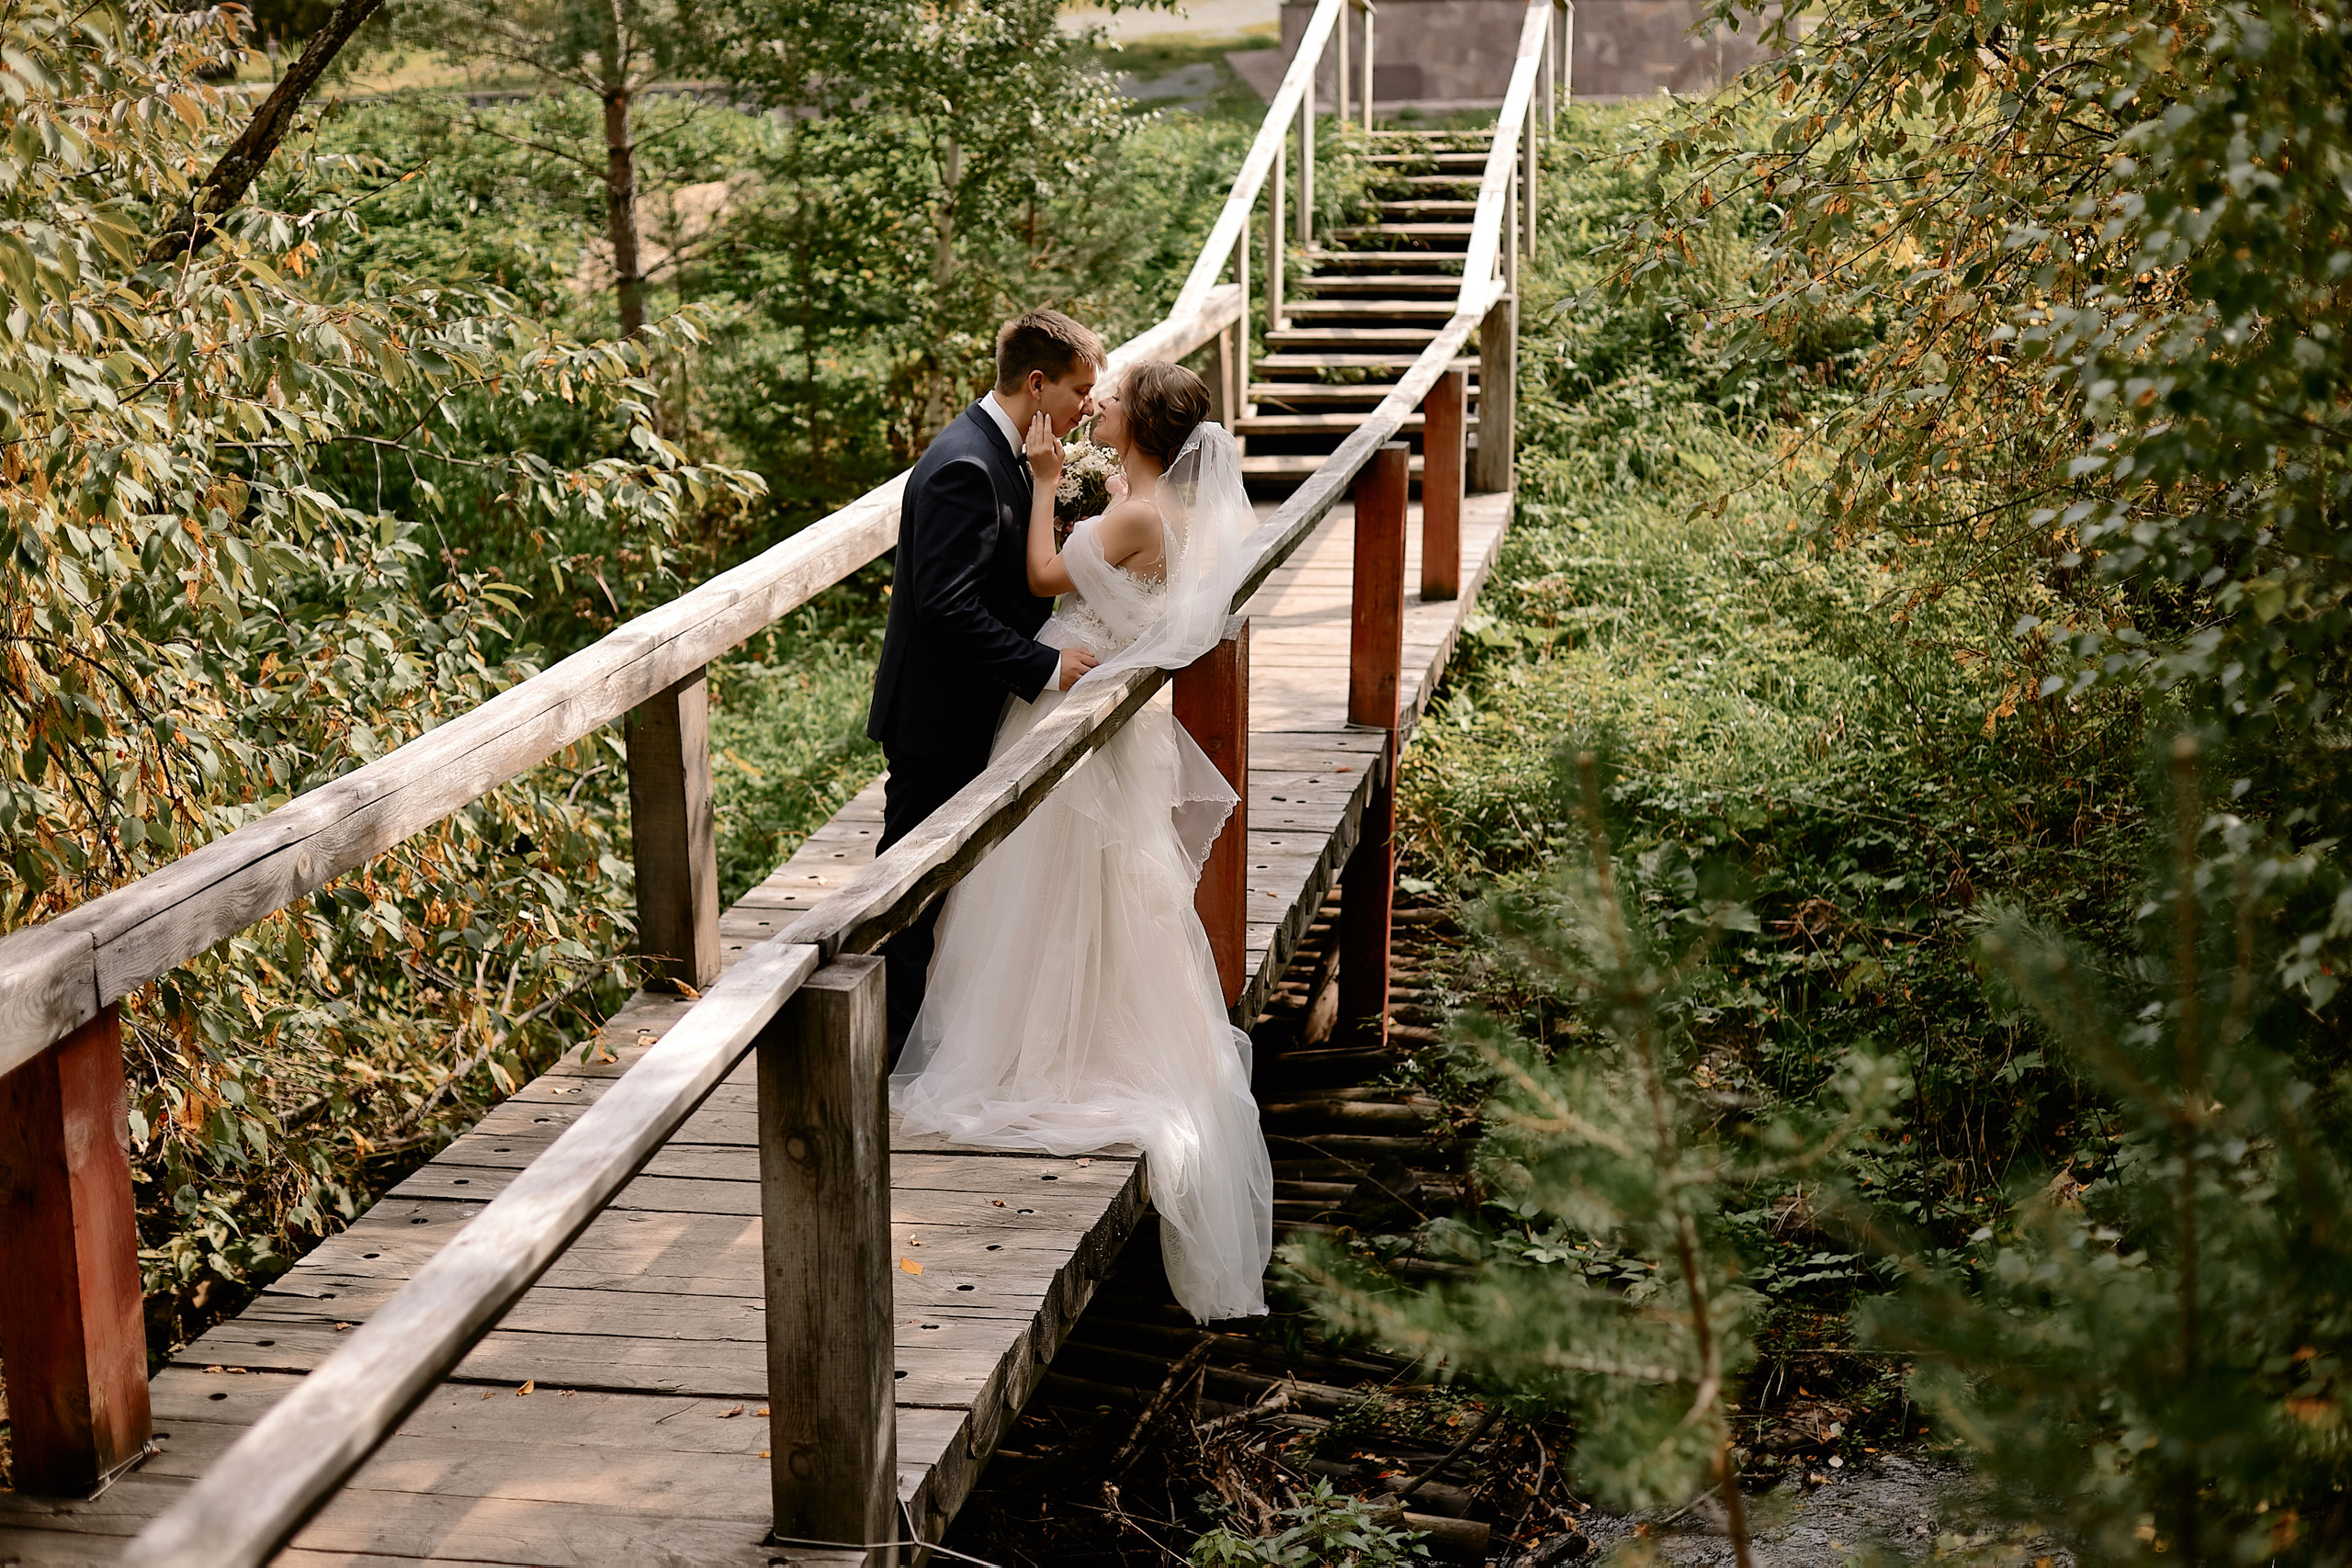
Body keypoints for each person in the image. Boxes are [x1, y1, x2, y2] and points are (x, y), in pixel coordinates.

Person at [890, 361, 1274, 1324]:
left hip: (1071, 712)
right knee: (1088, 890)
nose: (1094, 405)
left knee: (1048, 886)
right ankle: (1067, 1031)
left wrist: (1053, 483)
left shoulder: (1140, 514)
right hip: (1104, 712)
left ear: (1140, 424)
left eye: (1109, 399)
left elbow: (1043, 575)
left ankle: (1046, 1051)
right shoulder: (1157, 506)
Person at [867, 310, 1104, 1057]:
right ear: (1037, 384)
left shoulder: (1016, 452)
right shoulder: (965, 464)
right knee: (910, 892)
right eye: (1079, 389)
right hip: (938, 718)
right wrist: (1042, 665)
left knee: (944, 884)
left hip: (972, 708)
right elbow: (945, 607)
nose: (1089, 406)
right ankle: (878, 1055)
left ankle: (912, 1047)